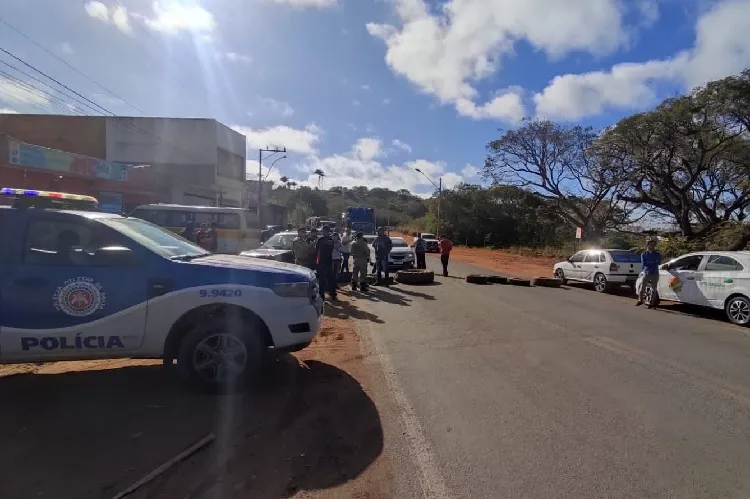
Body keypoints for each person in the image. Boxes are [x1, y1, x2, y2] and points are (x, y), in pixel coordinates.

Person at [636, 239, 661, 308]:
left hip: (655, 272)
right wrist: (653, 262)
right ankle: (640, 300)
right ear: (647, 245)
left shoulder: (657, 254)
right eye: (651, 244)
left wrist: (651, 262)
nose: (652, 246)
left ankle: (652, 303)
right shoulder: (644, 254)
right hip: (647, 272)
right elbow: (644, 263)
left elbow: (658, 262)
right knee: (642, 287)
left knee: (654, 289)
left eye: (653, 245)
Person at [315, 225, 337, 301]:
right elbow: (317, 248)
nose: (323, 232)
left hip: (326, 261)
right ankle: (324, 295)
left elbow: (317, 248)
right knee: (324, 279)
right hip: (324, 261)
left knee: (328, 278)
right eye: (323, 231)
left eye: (324, 231)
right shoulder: (328, 240)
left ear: (327, 232)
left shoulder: (324, 240)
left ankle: (330, 294)